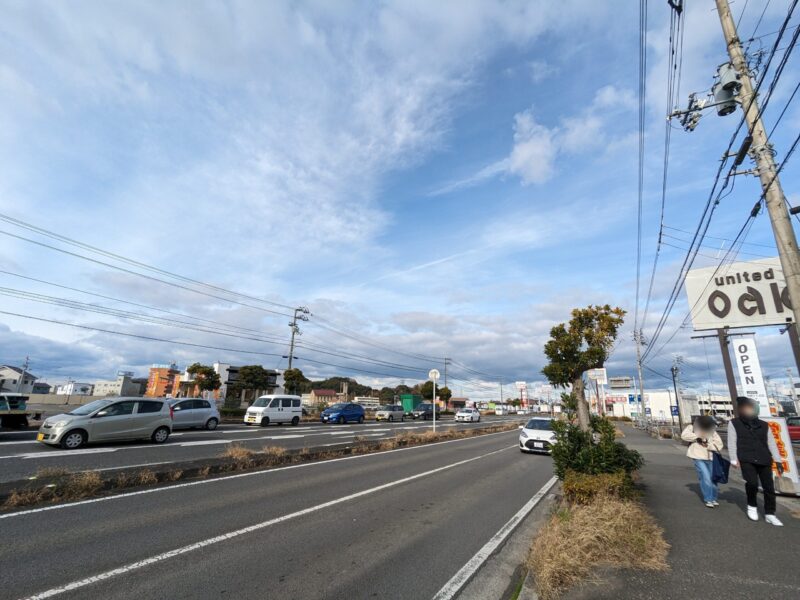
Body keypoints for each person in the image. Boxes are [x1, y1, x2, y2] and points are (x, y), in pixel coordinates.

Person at [728, 396, 784, 526]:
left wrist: (778, 460)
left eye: (750, 408)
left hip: (764, 458)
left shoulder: (764, 425)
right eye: (745, 408)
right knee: (752, 483)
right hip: (746, 458)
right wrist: (733, 458)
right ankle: (752, 506)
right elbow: (732, 442)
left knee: (769, 487)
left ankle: (770, 513)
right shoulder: (734, 423)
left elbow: (771, 443)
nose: (748, 410)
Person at [681, 414, 724, 508]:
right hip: (698, 456)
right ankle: (708, 499)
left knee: (713, 478)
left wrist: (708, 445)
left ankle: (713, 498)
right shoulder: (692, 427)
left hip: (711, 457)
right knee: (706, 477)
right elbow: (684, 436)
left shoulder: (712, 430)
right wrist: (698, 436)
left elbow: (719, 444)